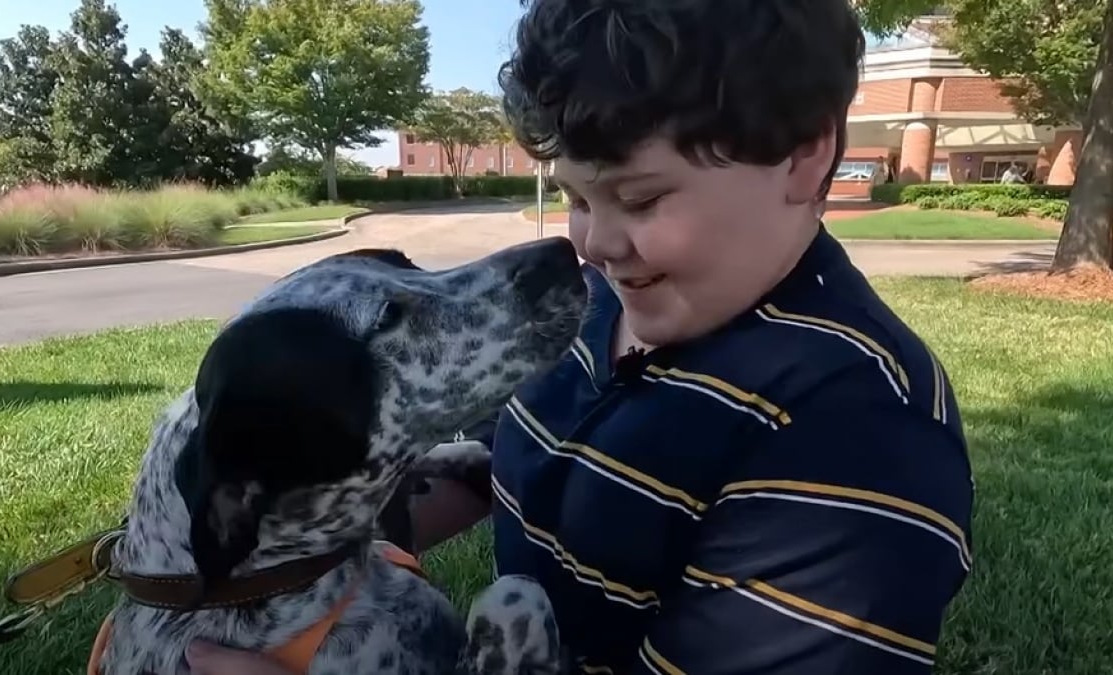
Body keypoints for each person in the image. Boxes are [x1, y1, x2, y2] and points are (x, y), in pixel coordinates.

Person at [187, 0, 975, 672]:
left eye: (639, 197)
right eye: (576, 196)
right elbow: (497, 465)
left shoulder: (862, 430)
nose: (594, 242)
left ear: (805, 156)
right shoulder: (596, 305)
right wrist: (240, 553)